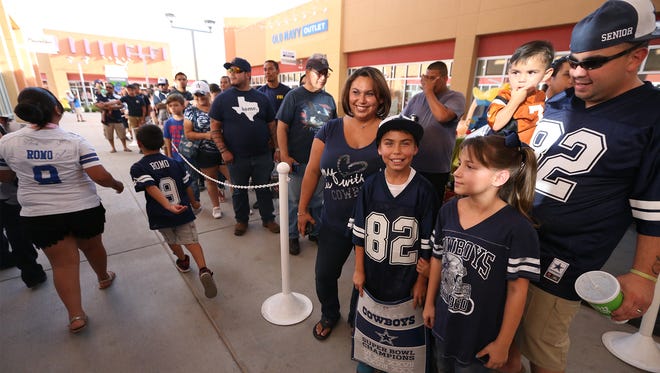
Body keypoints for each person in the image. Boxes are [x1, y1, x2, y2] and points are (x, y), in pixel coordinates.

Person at [510, 2, 660, 372]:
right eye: (573, 61)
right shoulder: (562, 99)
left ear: (635, 56)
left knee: (542, 348)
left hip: (562, 257)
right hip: (513, 240)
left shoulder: (651, 115)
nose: (577, 72)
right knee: (504, 339)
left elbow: (654, 207)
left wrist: (643, 275)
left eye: (592, 62)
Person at [0, 87, 124, 333]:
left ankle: (76, 316)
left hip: (40, 214)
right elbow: (98, 175)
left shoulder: (7, 142)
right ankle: (103, 277)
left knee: (62, 265)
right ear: (57, 109)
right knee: (92, 246)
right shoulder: (74, 141)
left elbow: (4, 175)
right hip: (82, 208)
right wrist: (117, 185)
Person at [423, 133, 539, 372]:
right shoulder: (448, 210)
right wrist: (429, 304)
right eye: (459, 163)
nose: (457, 172)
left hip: (482, 342)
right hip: (444, 327)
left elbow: (518, 291)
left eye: (470, 166)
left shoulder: (518, 229)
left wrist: (504, 343)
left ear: (500, 176)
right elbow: (437, 259)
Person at [297, 67, 390, 340]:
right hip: (334, 222)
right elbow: (312, 171)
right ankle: (329, 313)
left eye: (370, 93)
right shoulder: (330, 128)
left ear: (381, 98)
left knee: (365, 280)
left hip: (373, 225)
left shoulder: (388, 131)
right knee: (324, 275)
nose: (362, 99)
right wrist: (302, 211)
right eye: (356, 92)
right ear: (347, 95)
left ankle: (356, 318)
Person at [352, 116, 437, 372]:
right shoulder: (370, 186)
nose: (397, 151)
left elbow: (427, 243)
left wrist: (421, 281)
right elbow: (360, 233)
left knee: (406, 350)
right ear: (379, 149)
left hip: (407, 280)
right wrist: (359, 269)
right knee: (368, 352)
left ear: (415, 149)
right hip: (374, 276)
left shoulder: (425, 190)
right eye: (389, 144)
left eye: (405, 144)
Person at [130, 125, 217, 298]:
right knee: (192, 241)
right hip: (183, 210)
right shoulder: (175, 163)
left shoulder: (138, 167)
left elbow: (150, 187)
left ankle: (183, 261)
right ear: (162, 141)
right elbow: (188, 186)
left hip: (161, 214)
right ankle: (203, 268)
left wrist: (167, 205)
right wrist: (195, 203)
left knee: (172, 240)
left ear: (139, 143)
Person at [209, 57, 280, 237]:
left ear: (248, 74)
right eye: (230, 71)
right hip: (236, 157)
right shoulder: (222, 99)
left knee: (264, 189)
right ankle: (241, 220)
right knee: (239, 191)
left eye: (236, 71)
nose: (232, 74)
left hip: (262, 154)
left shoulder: (262, 98)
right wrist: (224, 151)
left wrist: (277, 149)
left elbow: (272, 126)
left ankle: (268, 219)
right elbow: (214, 127)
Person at [276, 54, 337, 255]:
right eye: (318, 73)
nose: (322, 77)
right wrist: (284, 155)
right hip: (297, 161)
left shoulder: (328, 99)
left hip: (321, 163)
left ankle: (316, 231)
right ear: (307, 72)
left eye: (325, 73)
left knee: (319, 202)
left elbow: (333, 130)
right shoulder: (293, 96)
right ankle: (293, 235)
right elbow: (281, 127)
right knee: (293, 203)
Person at [402, 61, 466, 202]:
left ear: (445, 78)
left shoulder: (456, 97)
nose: (428, 82)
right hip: (411, 165)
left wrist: (429, 92)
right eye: (427, 78)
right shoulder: (417, 98)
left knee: (431, 207)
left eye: (433, 78)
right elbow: (402, 122)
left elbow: (442, 116)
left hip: (436, 168)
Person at [0, 114, 47, 286]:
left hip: (8, 195)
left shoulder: (12, 128)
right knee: (17, 233)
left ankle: (5, 259)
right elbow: (5, 176)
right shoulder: (10, 137)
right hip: (9, 196)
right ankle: (31, 273)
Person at [487, 40, 554, 144]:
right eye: (515, 72)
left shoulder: (542, 97)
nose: (522, 79)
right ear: (508, 73)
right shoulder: (505, 96)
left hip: (528, 154)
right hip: (502, 154)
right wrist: (515, 101)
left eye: (531, 72)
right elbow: (496, 124)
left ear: (546, 74)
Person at [183, 81, 229, 219]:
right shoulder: (190, 111)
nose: (199, 98)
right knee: (210, 180)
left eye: (201, 94)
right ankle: (216, 207)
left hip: (224, 149)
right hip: (205, 152)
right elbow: (188, 133)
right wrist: (206, 135)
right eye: (196, 95)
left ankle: (240, 204)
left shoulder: (218, 107)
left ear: (208, 94)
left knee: (233, 178)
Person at [163, 93, 200, 204]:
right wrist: (169, 156)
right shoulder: (168, 123)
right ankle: (184, 201)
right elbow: (167, 140)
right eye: (170, 106)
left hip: (189, 156)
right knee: (179, 181)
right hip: (176, 157)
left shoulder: (189, 120)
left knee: (192, 180)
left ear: (183, 106)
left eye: (176, 105)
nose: (173, 108)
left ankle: (195, 201)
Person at [95, 82, 131, 153]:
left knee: (122, 134)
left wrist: (111, 107)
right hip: (107, 119)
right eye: (107, 87)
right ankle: (113, 148)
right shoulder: (102, 96)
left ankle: (125, 147)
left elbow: (122, 105)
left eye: (110, 87)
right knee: (109, 135)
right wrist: (110, 107)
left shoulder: (117, 97)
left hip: (117, 118)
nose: (108, 89)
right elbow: (98, 105)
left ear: (113, 89)